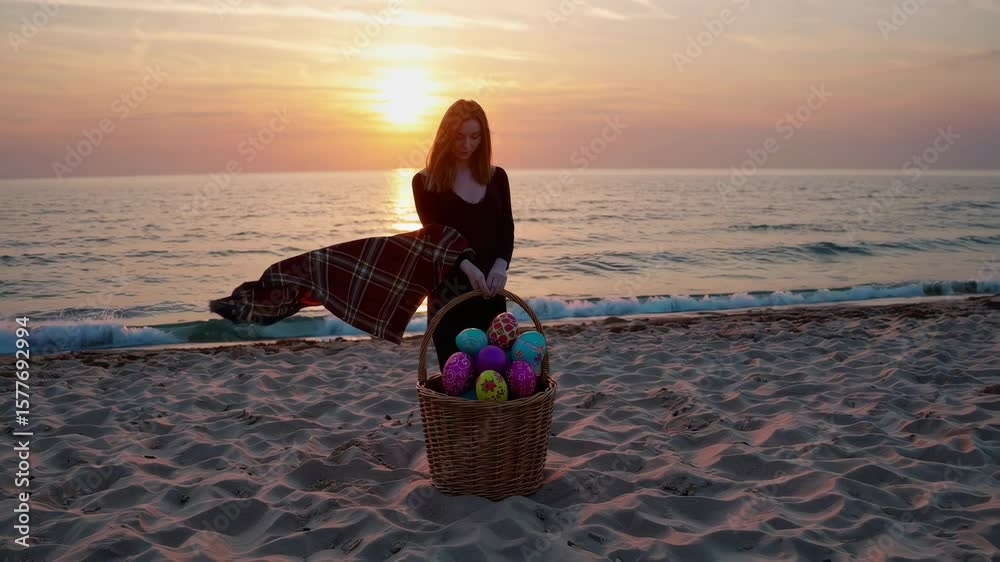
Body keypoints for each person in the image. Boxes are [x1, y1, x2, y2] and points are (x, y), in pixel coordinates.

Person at [412, 99, 514, 373]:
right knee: (457, 381)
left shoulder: (497, 178)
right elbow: (436, 239)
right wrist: (468, 268)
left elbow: (506, 229)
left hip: (489, 294)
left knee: (495, 380)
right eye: (459, 137)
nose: (467, 144)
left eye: (474, 136)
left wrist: (499, 265)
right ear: (446, 136)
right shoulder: (425, 183)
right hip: (448, 297)